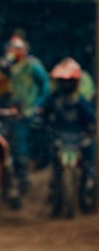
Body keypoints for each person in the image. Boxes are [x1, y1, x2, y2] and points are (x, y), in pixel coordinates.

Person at [33, 57, 97, 208]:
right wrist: (38, 118)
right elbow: (41, 110)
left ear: (75, 82)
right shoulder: (54, 98)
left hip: (78, 139)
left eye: (69, 81)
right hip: (59, 137)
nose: (65, 85)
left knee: (89, 164)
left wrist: (91, 128)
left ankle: (89, 190)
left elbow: (90, 119)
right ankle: (54, 194)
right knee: (54, 165)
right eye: (62, 81)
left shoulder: (80, 102)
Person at [3, 33, 49, 189]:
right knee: (16, 144)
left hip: (32, 110)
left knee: (35, 140)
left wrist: (40, 104)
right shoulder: (8, 67)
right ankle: (21, 179)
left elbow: (45, 85)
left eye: (18, 49)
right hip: (16, 112)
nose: (14, 52)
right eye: (12, 48)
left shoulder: (33, 65)